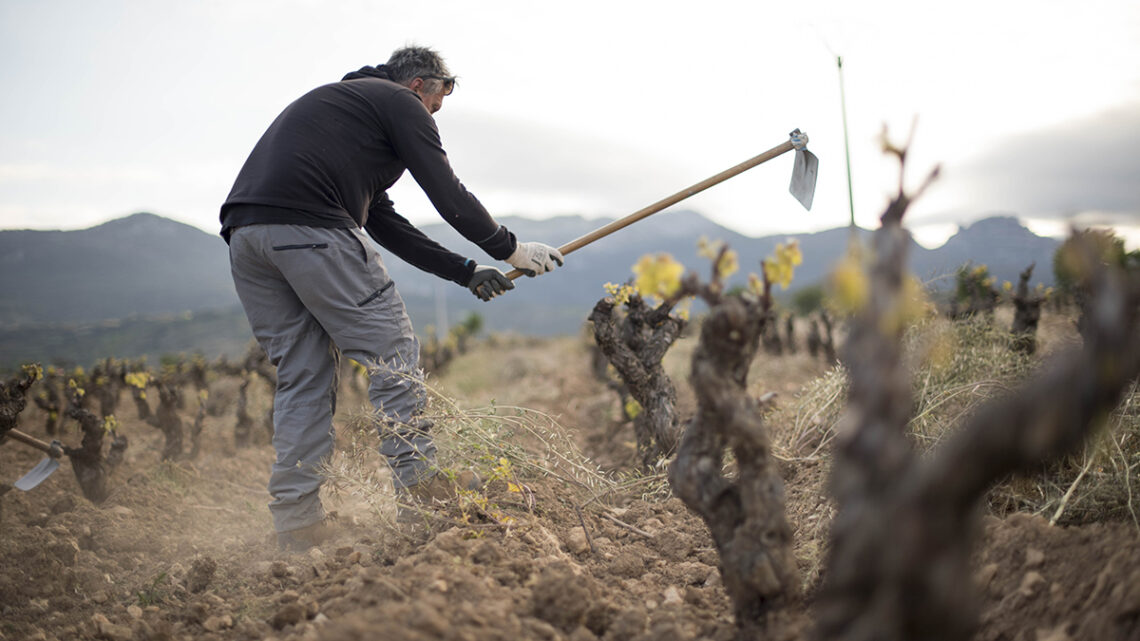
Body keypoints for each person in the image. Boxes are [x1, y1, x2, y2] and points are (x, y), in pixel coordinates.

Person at [219, 45, 564, 551]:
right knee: (393, 352)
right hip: (312, 230)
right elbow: (447, 191)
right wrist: (510, 249)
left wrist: (466, 271)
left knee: (303, 373)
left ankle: (296, 522)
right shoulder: (399, 102)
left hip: (247, 237)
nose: (433, 117)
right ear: (421, 84)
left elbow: (384, 222)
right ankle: (422, 491)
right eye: (435, 106)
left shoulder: (349, 111)